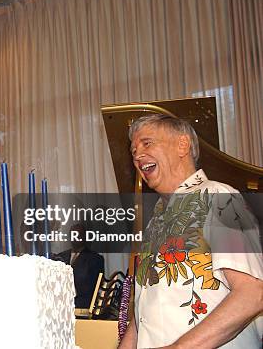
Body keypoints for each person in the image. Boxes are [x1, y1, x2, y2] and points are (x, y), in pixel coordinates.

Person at [119, 114, 263, 348]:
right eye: (134, 150)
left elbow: (252, 294)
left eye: (147, 143)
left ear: (182, 145)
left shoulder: (218, 197)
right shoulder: (155, 221)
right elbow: (143, 314)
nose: (137, 156)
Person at [53, 223, 105, 309]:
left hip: (82, 307)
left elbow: (94, 287)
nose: (76, 237)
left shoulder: (95, 259)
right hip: (61, 306)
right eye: (73, 234)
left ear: (85, 236)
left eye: (79, 234)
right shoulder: (61, 256)